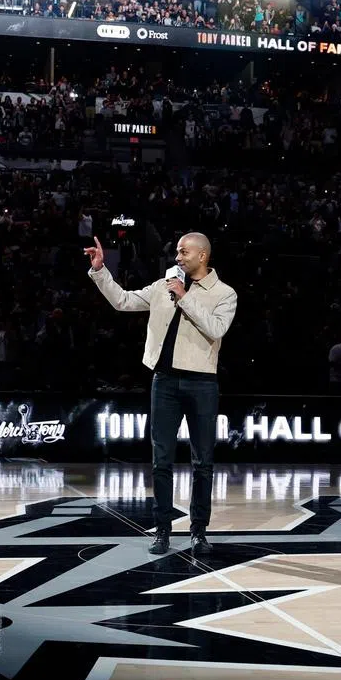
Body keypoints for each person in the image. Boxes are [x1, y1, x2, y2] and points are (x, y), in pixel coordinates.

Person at [84, 233, 238, 555]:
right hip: (164, 382)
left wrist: (183, 296)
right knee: (161, 461)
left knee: (203, 463)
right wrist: (100, 271)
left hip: (202, 383)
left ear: (203, 256)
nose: (178, 256)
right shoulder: (163, 284)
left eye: (184, 251)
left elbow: (216, 329)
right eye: (177, 250)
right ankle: (162, 531)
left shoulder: (225, 294)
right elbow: (123, 301)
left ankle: (198, 532)